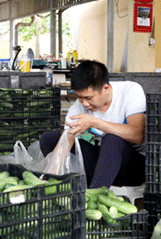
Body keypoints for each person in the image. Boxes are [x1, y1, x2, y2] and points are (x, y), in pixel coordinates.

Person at [39, 60, 146, 188]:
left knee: (111, 140)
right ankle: (74, 187)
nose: (84, 103)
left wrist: (94, 122)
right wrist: (50, 175)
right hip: (105, 165)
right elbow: (66, 141)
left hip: (133, 168)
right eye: (80, 97)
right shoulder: (79, 106)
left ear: (105, 88)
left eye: (88, 98)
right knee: (49, 139)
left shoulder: (130, 91)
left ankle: (94, 194)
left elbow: (137, 135)